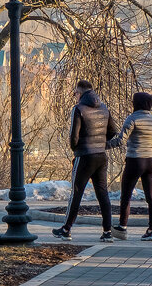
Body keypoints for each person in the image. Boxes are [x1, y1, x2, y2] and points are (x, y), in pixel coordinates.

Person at [52, 79, 118, 243]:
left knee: (76, 192)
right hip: (101, 156)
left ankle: (66, 229)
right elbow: (113, 131)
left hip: (84, 155)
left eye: (75, 93)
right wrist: (101, 142)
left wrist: (76, 149)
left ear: (80, 93)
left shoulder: (79, 109)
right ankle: (107, 231)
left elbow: (74, 136)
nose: (75, 96)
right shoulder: (104, 108)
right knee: (102, 193)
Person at [107, 91, 152, 241]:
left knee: (126, 195)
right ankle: (151, 231)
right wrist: (147, 148)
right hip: (150, 161)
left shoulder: (132, 119)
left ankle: (122, 227)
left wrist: (103, 145)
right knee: (151, 197)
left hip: (134, 160)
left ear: (136, 103)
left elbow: (120, 140)